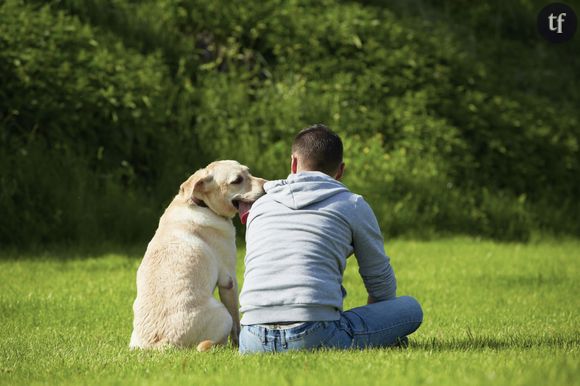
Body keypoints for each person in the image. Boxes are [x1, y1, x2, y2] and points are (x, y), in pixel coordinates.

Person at [238, 124, 423, 353]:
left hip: (250, 338)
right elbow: (380, 282)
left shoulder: (260, 206)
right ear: (341, 170)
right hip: (314, 334)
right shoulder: (352, 204)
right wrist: (380, 326)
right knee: (411, 308)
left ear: (293, 163)